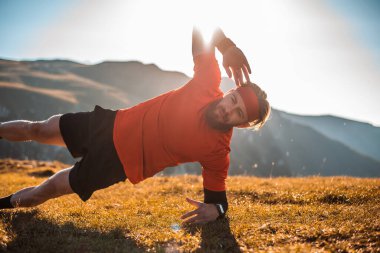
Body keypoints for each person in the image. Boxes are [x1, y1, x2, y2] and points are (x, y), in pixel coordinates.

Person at [0, 28, 270, 224]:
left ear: (242, 124)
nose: (228, 110)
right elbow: (200, 26)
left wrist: (217, 211)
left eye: (238, 113)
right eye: (233, 100)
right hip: (109, 124)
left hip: (117, 165)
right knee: (38, 129)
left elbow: (219, 200)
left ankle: (3, 205)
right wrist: (226, 45)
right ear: (229, 91)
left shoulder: (217, 152)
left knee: (49, 189)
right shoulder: (208, 80)